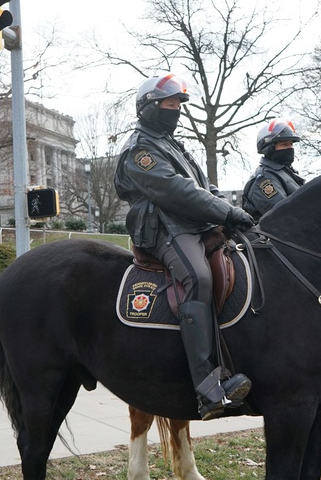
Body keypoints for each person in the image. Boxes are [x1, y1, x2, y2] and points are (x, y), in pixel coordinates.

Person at [114, 73, 256, 420]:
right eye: (169, 105)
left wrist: (229, 210)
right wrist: (226, 211)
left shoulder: (175, 145)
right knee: (199, 278)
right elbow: (176, 191)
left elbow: (204, 187)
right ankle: (206, 387)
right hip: (166, 227)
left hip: (195, 223)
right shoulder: (141, 150)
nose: (176, 111)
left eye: (178, 105)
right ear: (148, 108)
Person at [241, 118, 306, 219]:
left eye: (291, 144)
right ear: (269, 148)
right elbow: (284, 216)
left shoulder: (287, 174)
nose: (290, 148)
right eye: (284, 144)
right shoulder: (265, 178)